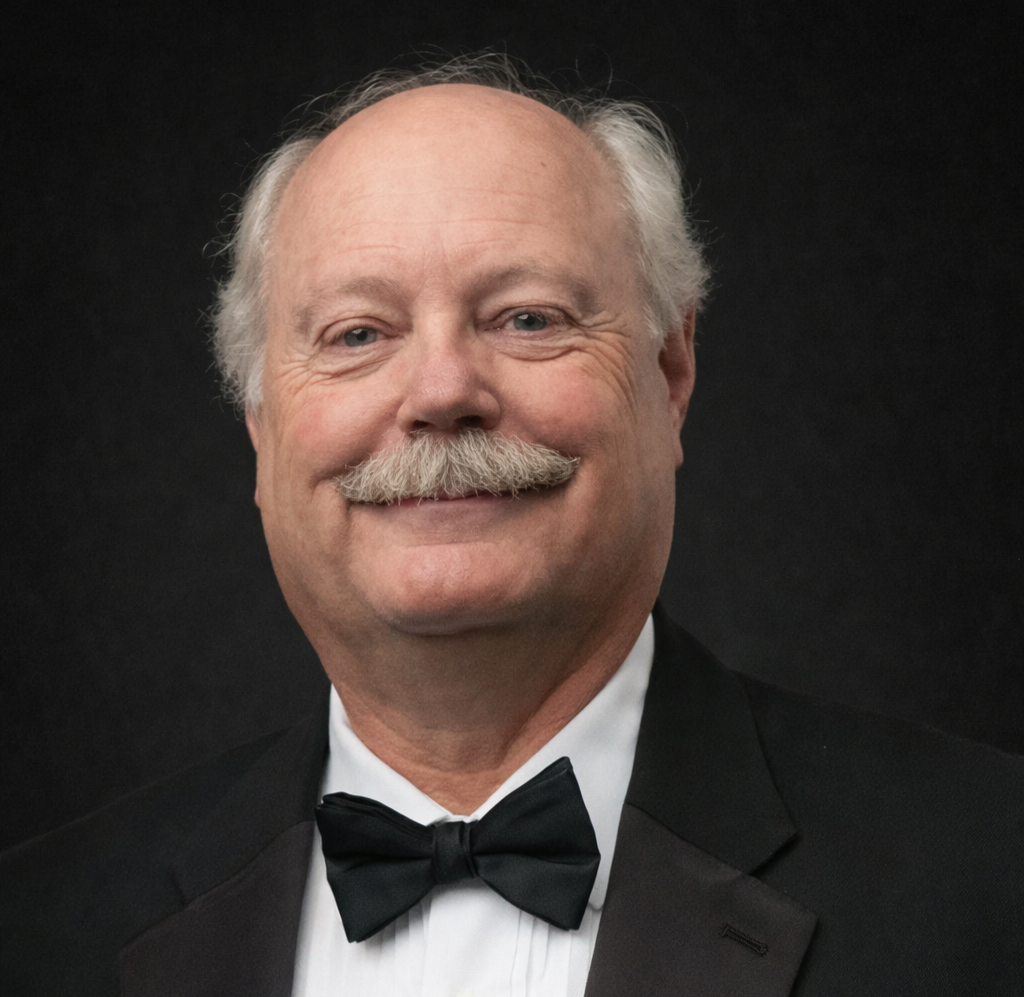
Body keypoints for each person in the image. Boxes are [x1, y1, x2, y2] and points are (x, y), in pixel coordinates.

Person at [2, 54, 1021, 997]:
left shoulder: (989, 879)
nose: (442, 388)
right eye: (358, 334)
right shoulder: (39, 930)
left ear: (669, 376)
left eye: (526, 318)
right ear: (261, 426)